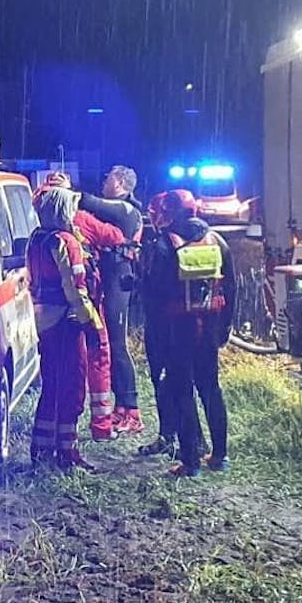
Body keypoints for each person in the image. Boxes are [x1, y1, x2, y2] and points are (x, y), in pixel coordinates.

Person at [143, 189, 235, 476]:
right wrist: (225, 327)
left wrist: (157, 342)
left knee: (181, 391)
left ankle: (190, 462)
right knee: (211, 389)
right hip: (209, 327)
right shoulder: (217, 241)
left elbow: (154, 297)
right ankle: (220, 456)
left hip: (177, 331)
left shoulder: (164, 245)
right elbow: (231, 288)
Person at [26, 186, 103, 470]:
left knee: (52, 385)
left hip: (43, 319)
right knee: (71, 387)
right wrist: (91, 323)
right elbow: (75, 290)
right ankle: (67, 454)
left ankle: (42, 450)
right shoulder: (65, 241)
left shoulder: (37, 239)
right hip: (66, 322)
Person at [45, 172, 122, 441]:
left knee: (55, 378)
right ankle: (100, 426)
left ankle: (49, 443)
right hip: (83, 308)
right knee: (95, 360)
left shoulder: (37, 229)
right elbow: (115, 236)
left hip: (47, 314)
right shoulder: (77, 225)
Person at [78, 165, 146, 436]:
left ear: (119, 183)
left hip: (119, 279)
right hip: (111, 279)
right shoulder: (118, 210)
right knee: (111, 343)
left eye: (108, 178)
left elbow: (89, 201)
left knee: (117, 345)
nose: (104, 182)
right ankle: (121, 408)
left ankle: (131, 410)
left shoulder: (126, 210)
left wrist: (66, 189)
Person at [135, 191, 177, 457]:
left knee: (165, 382)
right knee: (191, 385)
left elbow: (156, 288)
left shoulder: (162, 245)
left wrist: (137, 284)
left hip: (163, 326)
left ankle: (171, 438)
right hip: (193, 327)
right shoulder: (209, 239)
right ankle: (200, 443)